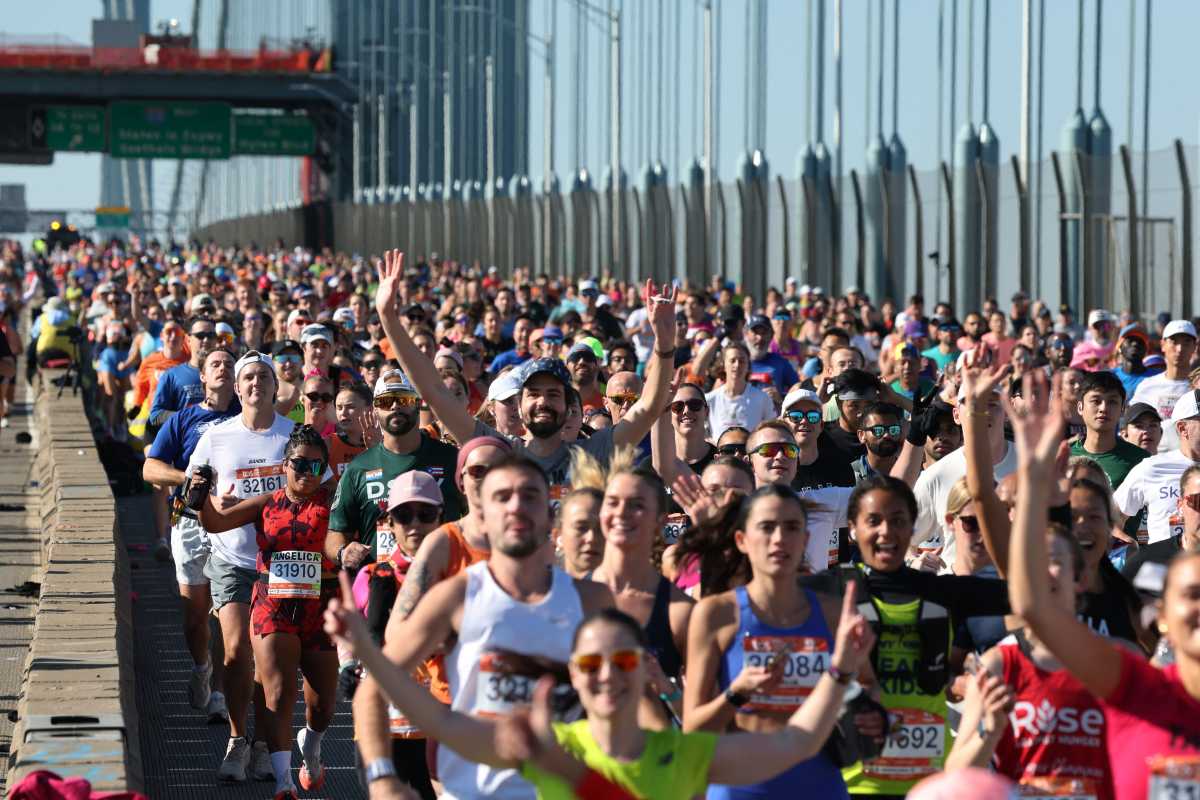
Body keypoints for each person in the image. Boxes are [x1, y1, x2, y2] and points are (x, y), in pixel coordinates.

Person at [328, 575, 876, 800]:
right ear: (575, 674)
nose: (606, 674)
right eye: (589, 663)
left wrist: (843, 670)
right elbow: (442, 722)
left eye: (620, 660)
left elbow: (798, 742)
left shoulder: (684, 755)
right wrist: (371, 653)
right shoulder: (549, 748)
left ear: (642, 668)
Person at [349, 454, 615, 800]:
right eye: (502, 497)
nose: (516, 506)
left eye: (530, 495)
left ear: (551, 516)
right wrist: (383, 780)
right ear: (482, 518)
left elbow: (630, 706)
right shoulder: (457, 596)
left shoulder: (593, 600)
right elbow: (373, 689)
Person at [1005, 368, 1200, 800]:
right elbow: (1033, 605)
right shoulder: (1133, 685)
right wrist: (1035, 492)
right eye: (1192, 594)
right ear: (1162, 615)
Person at [375, 250, 677, 499]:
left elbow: (649, 406)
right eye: (533, 394)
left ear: (570, 408)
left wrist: (664, 347)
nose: (542, 402)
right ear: (519, 406)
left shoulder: (592, 453)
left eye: (553, 394)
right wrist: (388, 316)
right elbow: (435, 393)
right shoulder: (499, 452)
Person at [812, 475, 1010, 797]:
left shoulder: (942, 591)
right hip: (851, 785)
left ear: (912, 526)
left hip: (929, 787)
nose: (886, 531)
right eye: (873, 521)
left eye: (898, 520)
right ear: (852, 527)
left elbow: (1027, 596)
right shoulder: (831, 590)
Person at [188, 350, 330, 782]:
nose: (254, 384)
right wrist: (211, 502)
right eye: (247, 377)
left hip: (287, 566)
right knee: (235, 652)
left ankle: (271, 741)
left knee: (275, 670)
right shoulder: (217, 436)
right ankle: (237, 739)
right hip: (234, 558)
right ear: (236, 387)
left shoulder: (296, 437)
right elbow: (194, 492)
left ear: (275, 387)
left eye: (263, 377)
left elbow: (323, 492)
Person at [685, 485, 876, 800]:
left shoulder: (832, 613)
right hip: (739, 789)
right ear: (742, 541)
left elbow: (868, 686)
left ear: (805, 540)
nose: (779, 539)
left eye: (791, 528)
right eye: (767, 527)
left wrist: (870, 713)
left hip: (819, 786)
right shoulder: (716, 614)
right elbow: (693, 729)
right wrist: (738, 693)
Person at [944, 522, 1113, 800]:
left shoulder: (1110, 663)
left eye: (1054, 561)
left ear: (1080, 578)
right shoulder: (998, 664)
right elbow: (955, 777)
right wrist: (991, 730)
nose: (1043, 572)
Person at [143, 348, 239, 725]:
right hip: (190, 522)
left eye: (230, 364)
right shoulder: (184, 419)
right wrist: (187, 478)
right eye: (215, 364)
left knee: (225, 611)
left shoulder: (247, 421)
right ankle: (202, 668)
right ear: (201, 377)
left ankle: (218, 692)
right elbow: (150, 468)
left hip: (234, 523)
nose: (223, 369)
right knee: (195, 616)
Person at [586, 449, 694, 728]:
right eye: (613, 503)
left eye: (636, 505)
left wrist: (665, 688)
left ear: (660, 520)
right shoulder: (569, 595)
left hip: (656, 761)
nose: (621, 513)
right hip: (582, 764)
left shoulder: (679, 611)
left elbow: (700, 719)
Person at [326, 369, 464, 573]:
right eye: (385, 401)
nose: (394, 406)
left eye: (403, 399)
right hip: (381, 585)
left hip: (443, 578)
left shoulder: (451, 459)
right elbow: (335, 533)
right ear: (375, 410)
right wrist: (343, 551)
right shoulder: (358, 468)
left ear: (417, 404)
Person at [1115, 389, 1200, 547]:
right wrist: (1130, 550)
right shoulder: (1152, 467)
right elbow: (1114, 516)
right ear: (1182, 428)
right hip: (1165, 566)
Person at [1130, 319, 1197, 452]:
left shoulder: (1197, 386)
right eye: (1174, 341)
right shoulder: (1147, 386)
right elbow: (1131, 426)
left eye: (1186, 342)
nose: (1179, 349)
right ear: (1162, 345)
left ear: (1195, 347)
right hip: (1154, 462)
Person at [149, 316, 218, 427]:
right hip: (185, 441)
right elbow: (156, 415)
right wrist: (189, 416)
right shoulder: (172, 375)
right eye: (200, 336)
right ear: (188, 339)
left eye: (211, 336)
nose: (206, 340)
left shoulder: (227, 374)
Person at [707, 342, 775, 440]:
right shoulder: (710, 399)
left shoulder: (763, 398)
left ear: (748, 365)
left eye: (742, 361)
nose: (737, 365)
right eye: (732, 360)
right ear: (723, 364)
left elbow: (771, 432)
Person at [325, 382, 378, 480]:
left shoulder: (385, 444)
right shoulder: (327, 445)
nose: (343, 413)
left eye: (350, 407)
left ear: (370, 408)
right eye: (339, 407)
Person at [745, 314, 800, 394]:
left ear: (771, 336)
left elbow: (798, 389)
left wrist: (781, 399)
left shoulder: (781, 363)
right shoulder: (737, 362)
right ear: (746, 334)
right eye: (755, 332)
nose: (760, 338)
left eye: (764, 333)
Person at [1112, 324, 1152, 397]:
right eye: (1130, 340)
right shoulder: (1110, 377)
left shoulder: (1156, 378)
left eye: (1140, 341)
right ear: (1119, 347)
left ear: (1146, 349)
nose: (1135, 344)